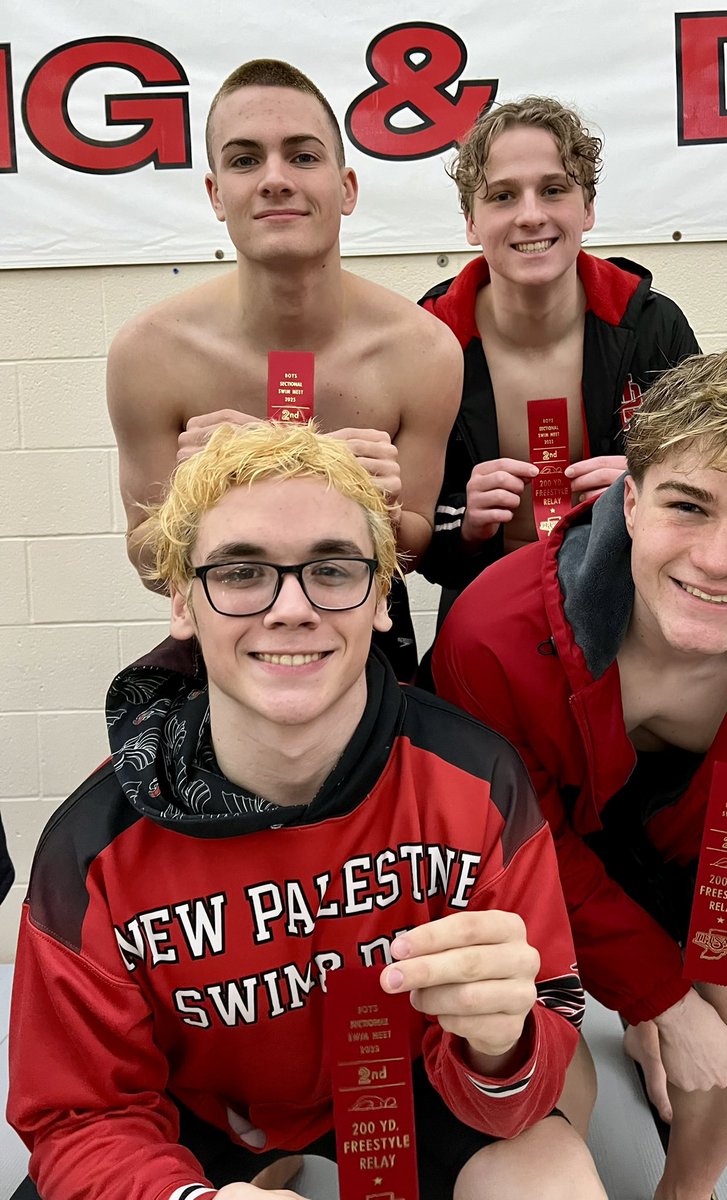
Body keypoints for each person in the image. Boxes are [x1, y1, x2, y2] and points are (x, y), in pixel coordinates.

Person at [8, 422, 606, 1200]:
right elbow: (77, 1116)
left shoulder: (478, 778)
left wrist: (501, 1045)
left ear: (381, 597)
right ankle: (265, 1161)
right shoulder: (94, 846)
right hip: (202, 1113)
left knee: (554, 1166)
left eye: (331, 569)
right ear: (183, 601)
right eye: (241, 571)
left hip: (414, 1079)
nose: (291, 609)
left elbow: (546, 1024)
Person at [432, 344, 727, 1200]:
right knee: (512, 1019)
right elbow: (519, 850)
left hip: (710, 843)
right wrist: (659, 999)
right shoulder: (492, 633)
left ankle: (687, 1189)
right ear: (631, 501)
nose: (720, 559)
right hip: (548, 849)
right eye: (689, 505)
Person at [107, 58, 462, 681]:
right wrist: (194, 499)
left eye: (302, 156)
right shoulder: (150, 353)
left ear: (346, 188)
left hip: (366, 640)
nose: (275, 180)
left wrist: (382, 507)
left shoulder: (423, 350)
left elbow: (411, 549)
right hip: (226, 632)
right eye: (245, 160)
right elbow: (146, 558)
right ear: (216, 195)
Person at [417, 97, 699, 631]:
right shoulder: (429, 339)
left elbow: (711, 488)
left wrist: (646, 490)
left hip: (627, 608)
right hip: (486, 611)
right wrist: (466, 524)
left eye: (553, 190)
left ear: (587, 209)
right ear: (471, 221)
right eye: (503, 196)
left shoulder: (652, 328)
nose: (531, 215)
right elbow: (408, 537)